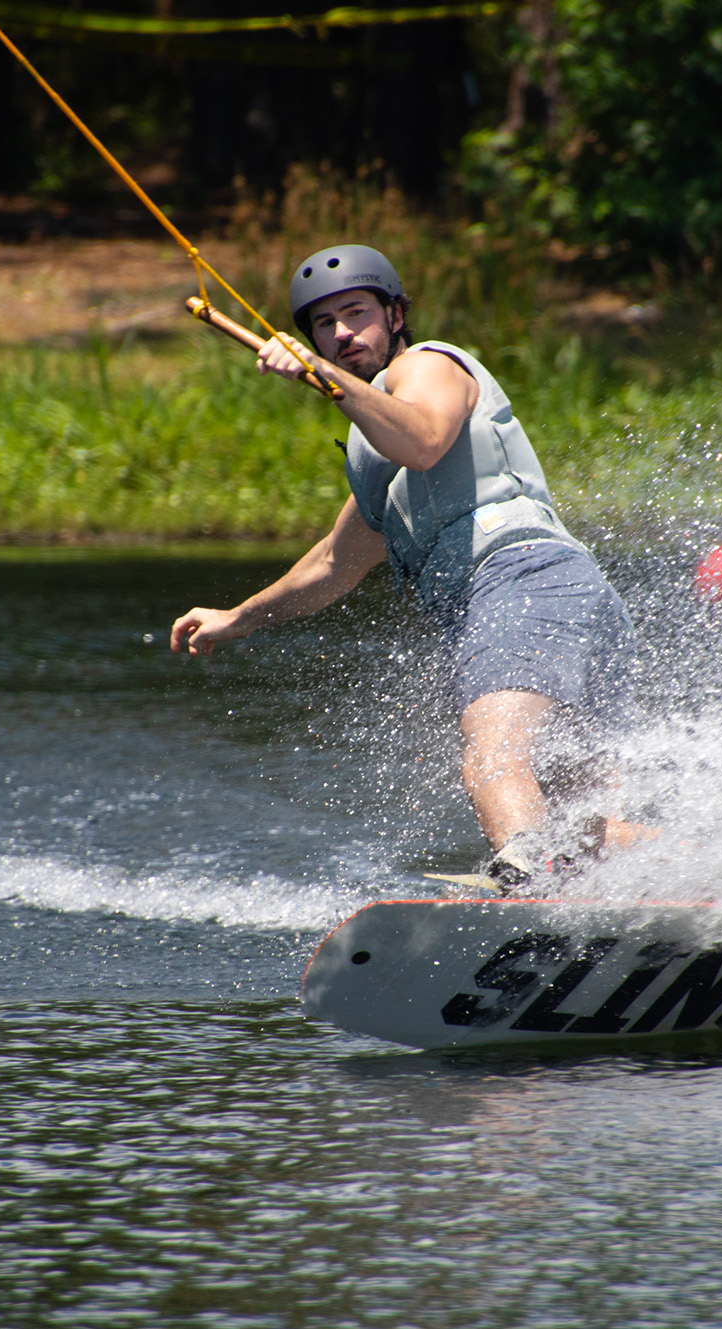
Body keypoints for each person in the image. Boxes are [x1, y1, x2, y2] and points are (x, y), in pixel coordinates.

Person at [169, 244, 648, 887]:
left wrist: (318, 370)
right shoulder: (373, 453)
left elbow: (423, 439)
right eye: (323, 325)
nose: (341, 334)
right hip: (573, 605)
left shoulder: (428, 366)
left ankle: (529, 882)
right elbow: (333, 566)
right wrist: (240, 617)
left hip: (524, 581)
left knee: (493, 757)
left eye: (356, 312)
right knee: (581, 830)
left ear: (396, 316)